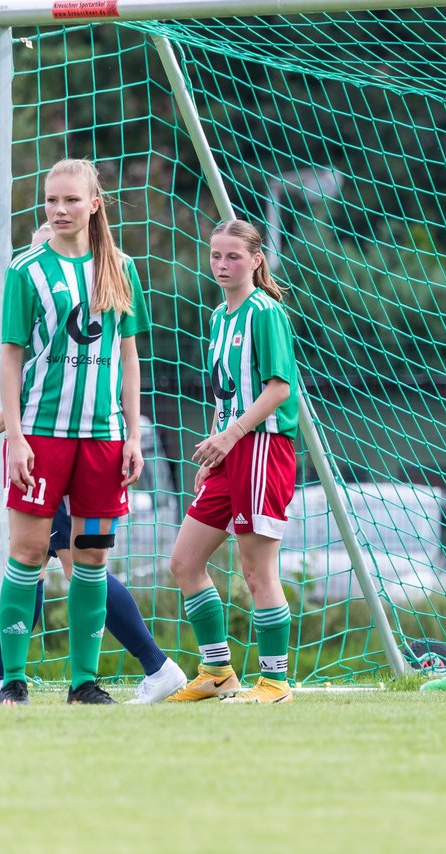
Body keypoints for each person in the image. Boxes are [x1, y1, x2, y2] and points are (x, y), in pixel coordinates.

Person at [0, 159, 151, 706]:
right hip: (42, 433)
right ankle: (11, 679)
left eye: (69, 200)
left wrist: (132, 435)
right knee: (30, 551)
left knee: (90, 556)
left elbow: (129, 359)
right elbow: (10, 360)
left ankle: (84, 683)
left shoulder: (121, 267)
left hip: (103, 439)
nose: (58, 210)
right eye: (50, 200)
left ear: (94, 204)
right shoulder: (26, 269)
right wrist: (14, 437)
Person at [0, 406, 187, 704]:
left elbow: (32, 391)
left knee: (74, 567)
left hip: (59, 450)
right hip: (52, 448)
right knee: (35, 565)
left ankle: (156, 665)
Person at [165, 219, 299, 705]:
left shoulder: (266, 313)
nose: (222, 265)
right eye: (216, 256)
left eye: (233, 257)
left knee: (256, 570)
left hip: (263, 448)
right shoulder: (220, 316)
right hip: (230, 451)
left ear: (256, 260)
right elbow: (229, 394)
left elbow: (279, 389)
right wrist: (216, 451)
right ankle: (219, 672)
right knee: (184, 561)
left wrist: (233, 435)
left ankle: (275, 683)